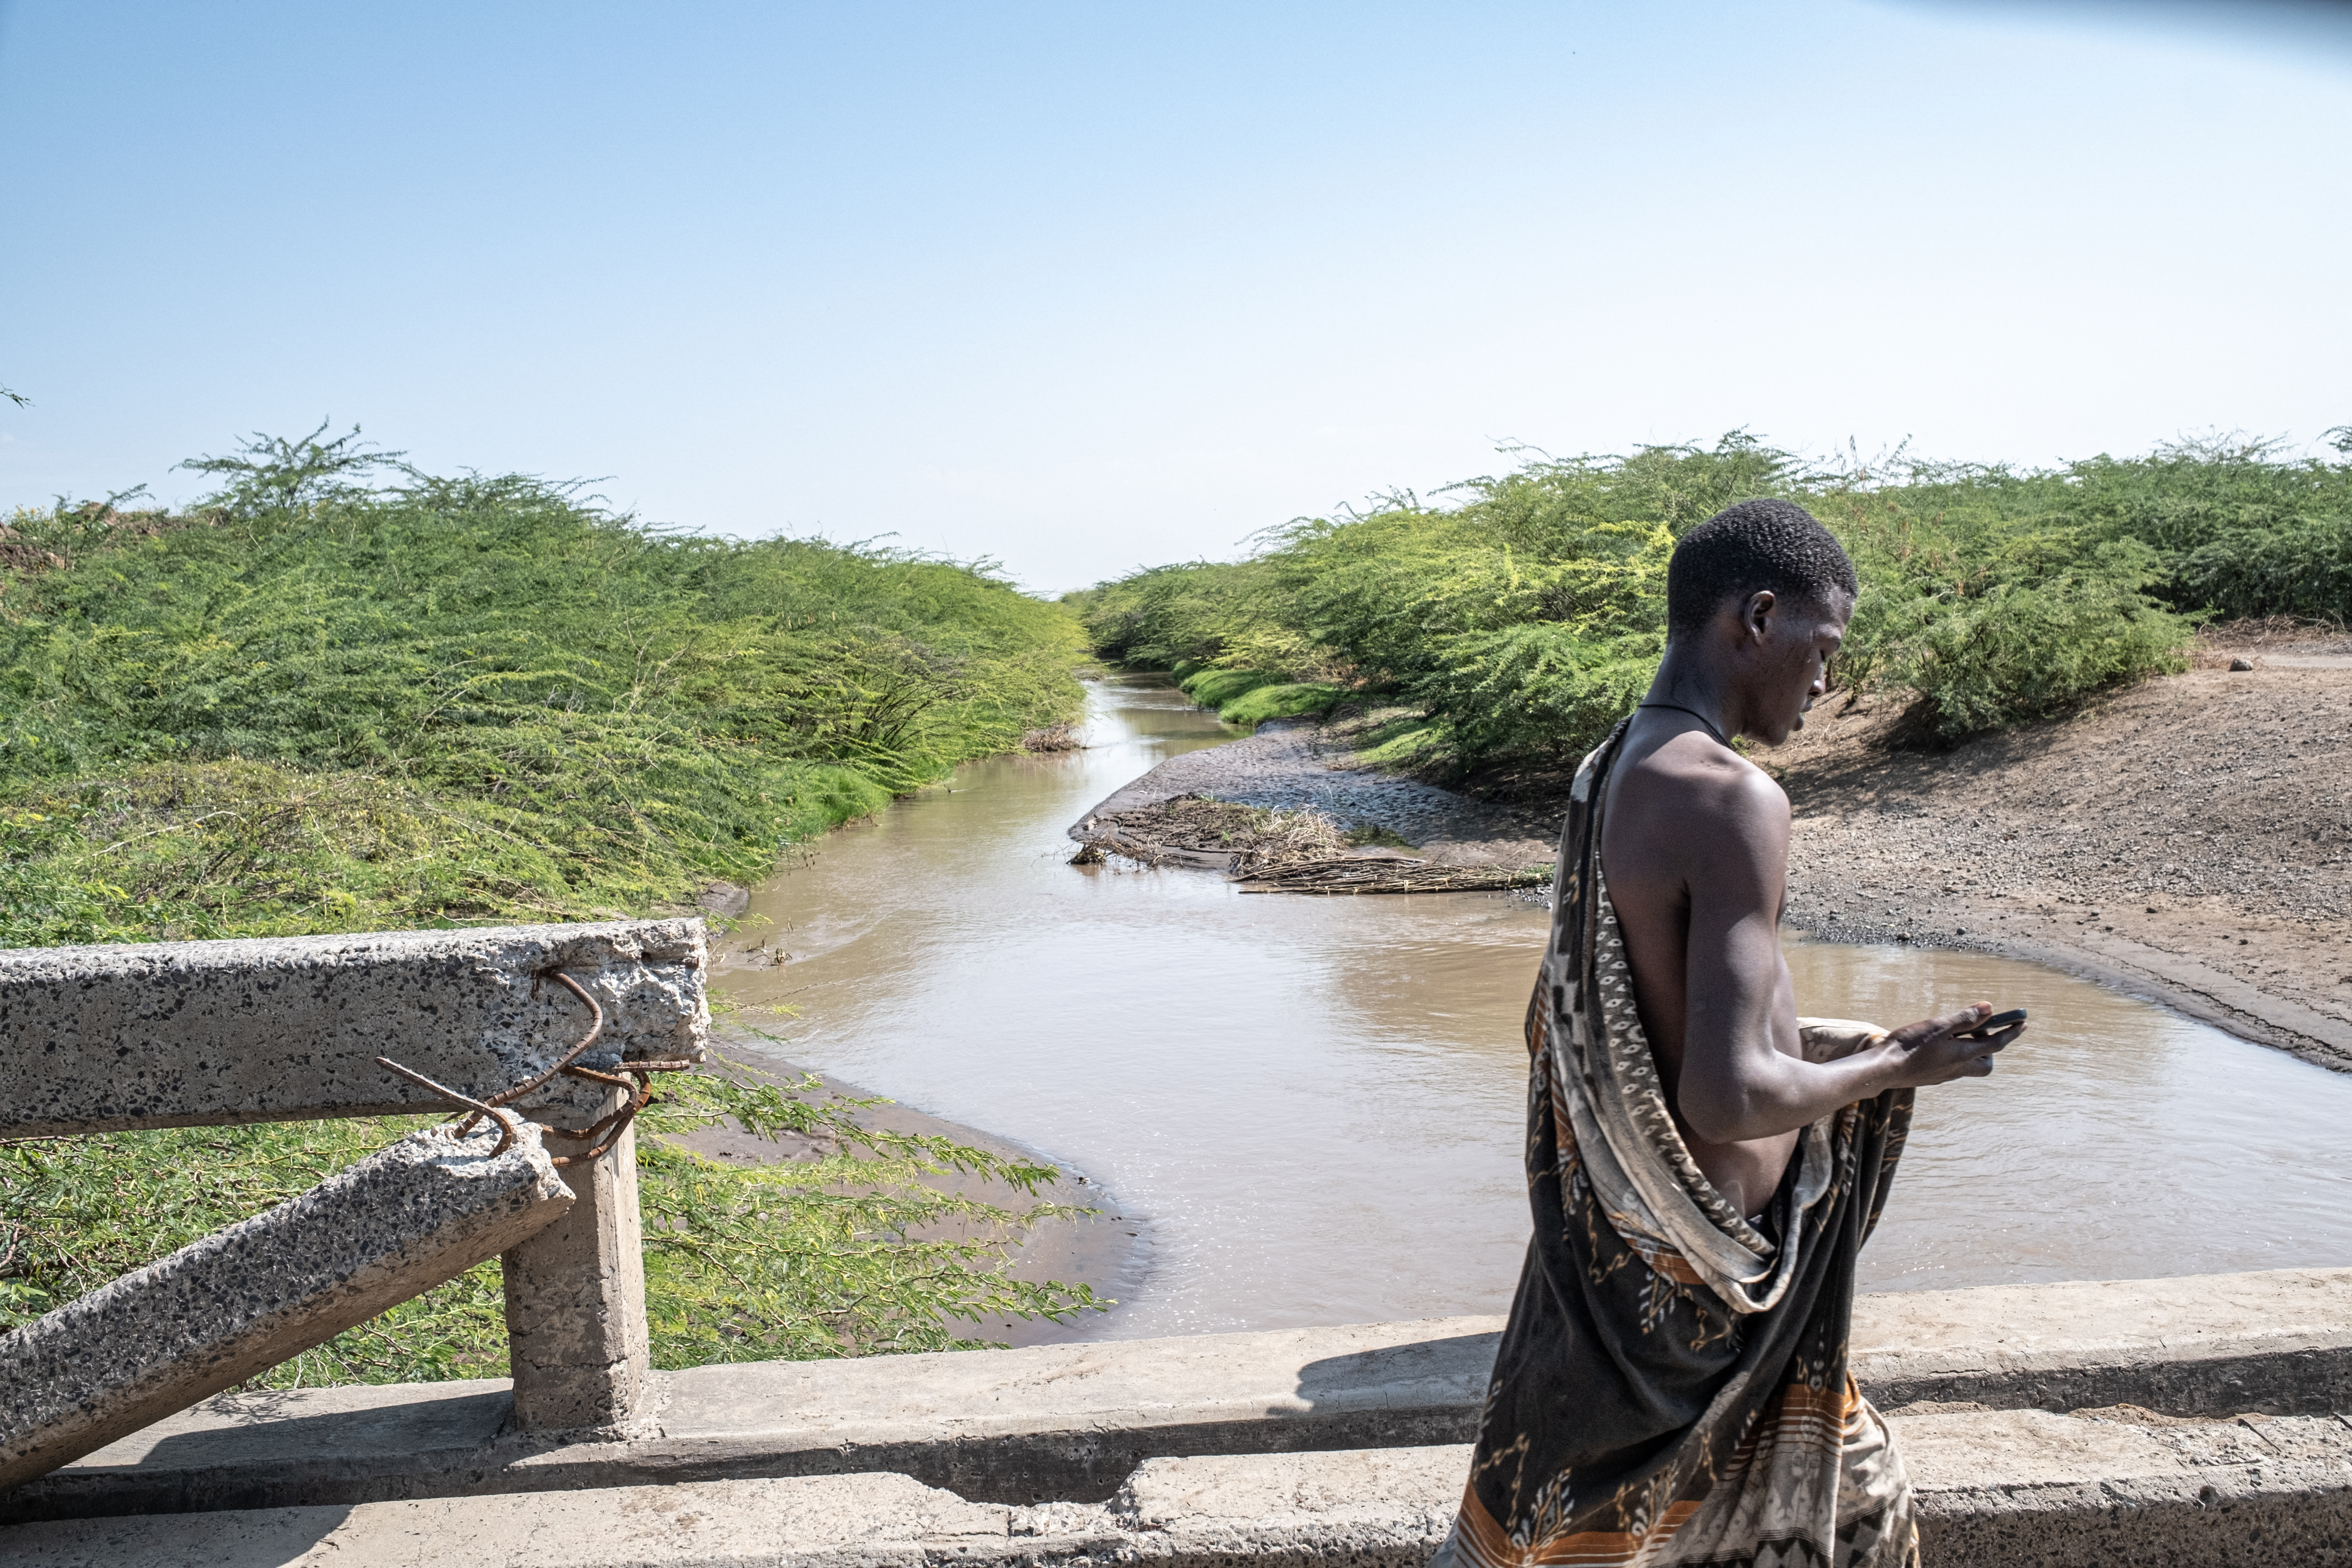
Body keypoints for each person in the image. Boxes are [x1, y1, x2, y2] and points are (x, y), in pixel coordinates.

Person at [1428, 499, 2026, 1568]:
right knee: (1861, 1515)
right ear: (1757, 617)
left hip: (1630, 1279)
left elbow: (1639, 1020)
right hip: (1706, 1296)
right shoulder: (1732, 798)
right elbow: (1727, 1094)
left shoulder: (1610, 769)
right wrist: (1899, 1066)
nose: (1826, 683)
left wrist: (1842, 1043)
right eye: (1824, 647)